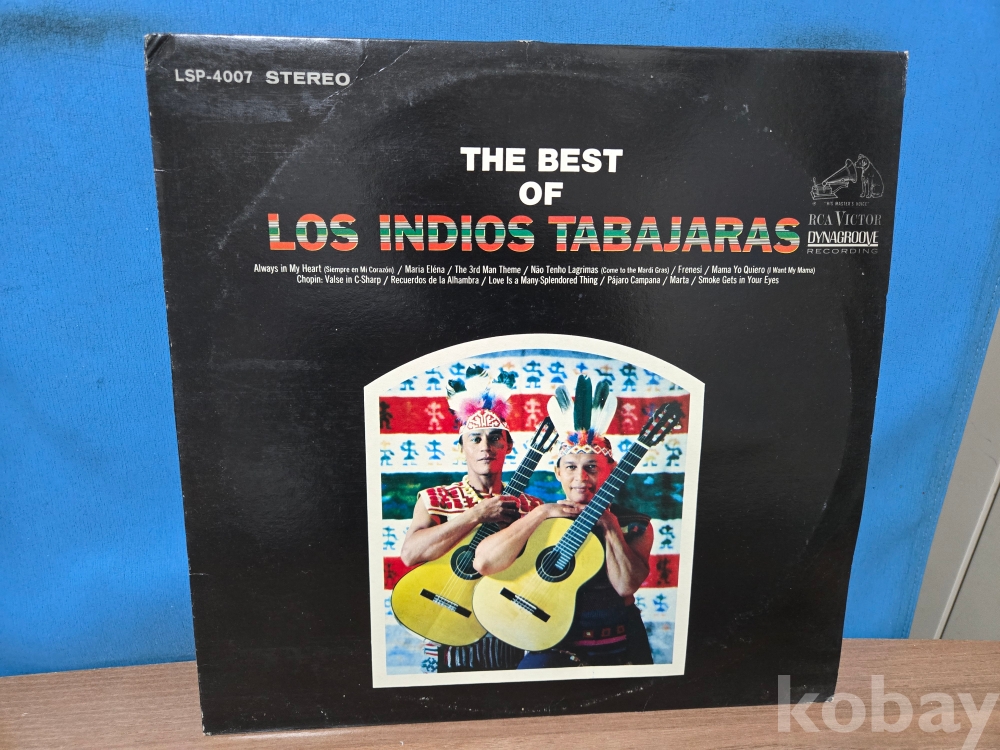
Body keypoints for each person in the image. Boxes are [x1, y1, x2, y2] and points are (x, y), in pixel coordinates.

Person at [473, 375, 654, 667]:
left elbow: (625, 586)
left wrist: (609, 525)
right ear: (558, 472)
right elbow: (484, 563)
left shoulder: (635, 525)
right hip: (549, 639)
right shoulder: (538, 516)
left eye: (591, 467)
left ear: (611, 469)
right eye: (570, 467)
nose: (580, 478)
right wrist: (541, 514)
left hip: (617, 642)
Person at [399, 366, 542, 671]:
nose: (485, 447)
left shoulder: (532, 507)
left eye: (494, 438)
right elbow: (410, 554)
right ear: (461, 447)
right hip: (445, 626)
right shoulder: (436, 499)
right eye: (475, 439)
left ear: (509, 445)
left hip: (507, 629)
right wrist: (476, 515)